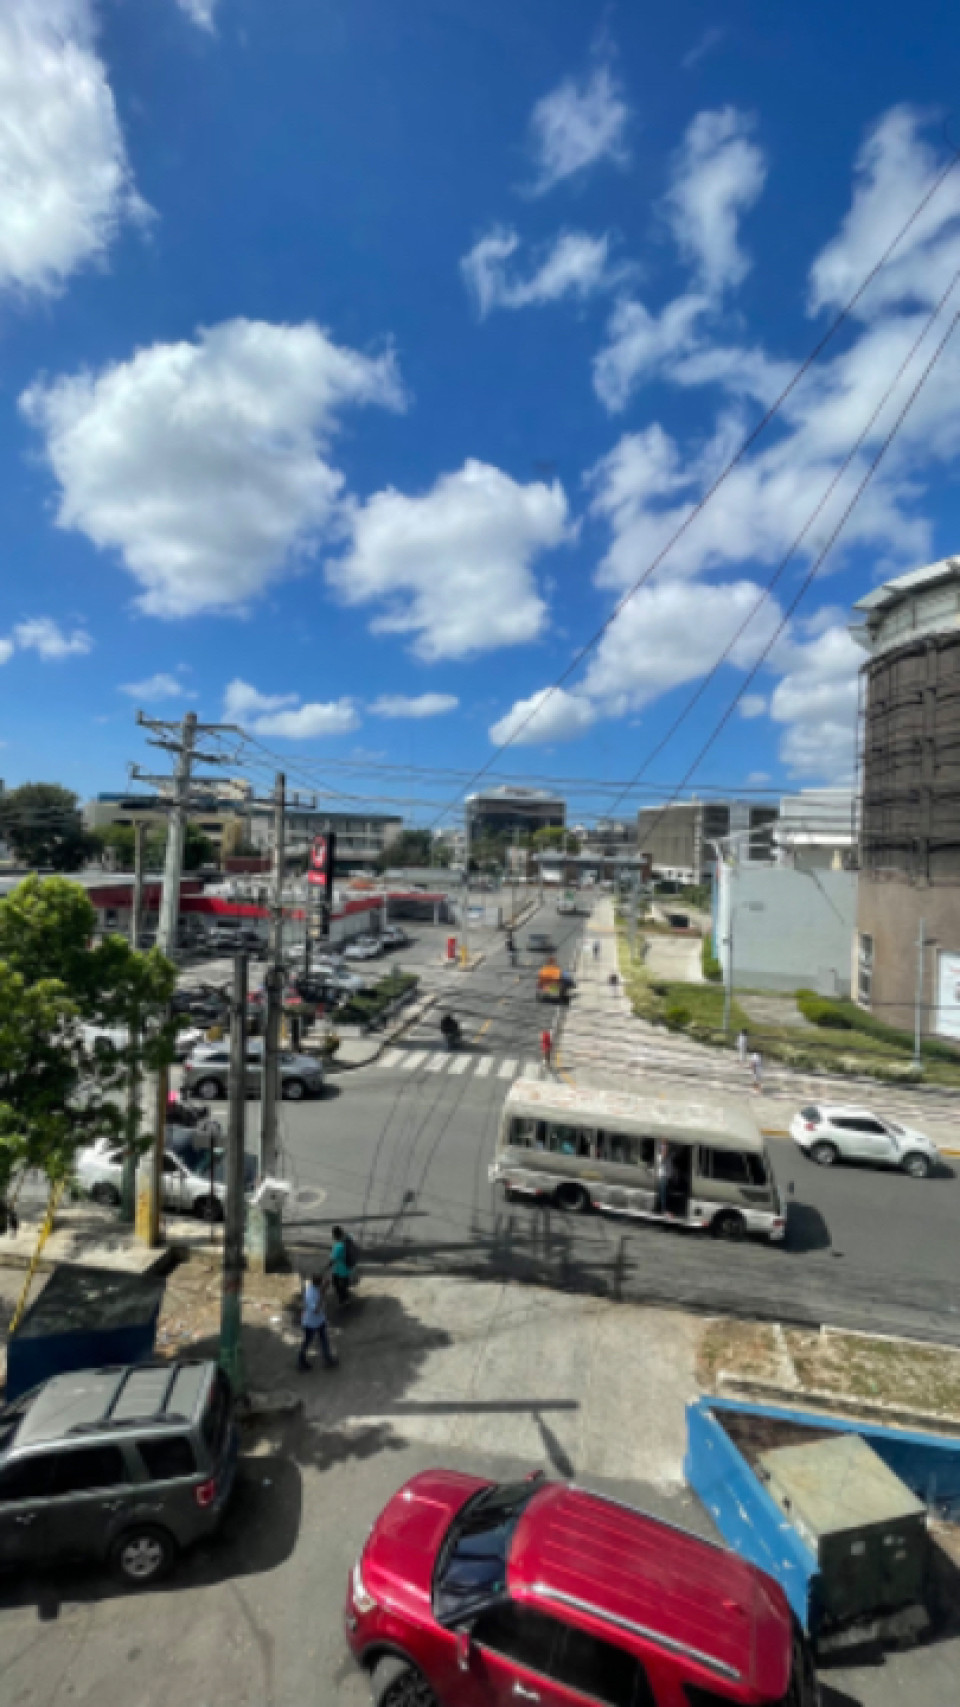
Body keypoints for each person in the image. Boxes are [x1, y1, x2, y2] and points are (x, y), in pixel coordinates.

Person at [297, 1273, 337, 1371]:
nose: (323, 1283)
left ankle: (328, 1359)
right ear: (318, 1283)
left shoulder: (314, 1287)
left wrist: (324, 1288)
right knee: (307, 1342)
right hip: (311, 1323)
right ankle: (301, 1362)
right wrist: (323, 1293)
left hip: (319, 1320)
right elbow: (316, 1310)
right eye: (322, 1281)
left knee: (324, 1339)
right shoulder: (310, 1293)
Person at [330, 1224, 355, 1305]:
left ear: (335, 1235)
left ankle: (343, 1298)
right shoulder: (348, 1239)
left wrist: (326, 1266)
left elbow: (333, 1259)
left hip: (339, 1269)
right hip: (347, 1267)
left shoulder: (338, 1246)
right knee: (344, 1283)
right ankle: (345, 1298)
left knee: (336, 1283)